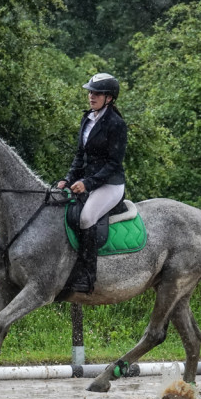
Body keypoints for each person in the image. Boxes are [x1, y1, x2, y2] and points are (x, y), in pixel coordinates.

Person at [56, 73, 127, 293]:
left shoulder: (116, 124)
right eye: (90, 92)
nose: (91, 96)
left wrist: (88, 183)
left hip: (110, 184)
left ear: (109, 98)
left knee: (86, 218)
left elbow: (114, 164)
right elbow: (80, 156)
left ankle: (88, 276)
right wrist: (68, 179)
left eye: (97, 93)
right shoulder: (87, 118)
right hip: (87, 180)